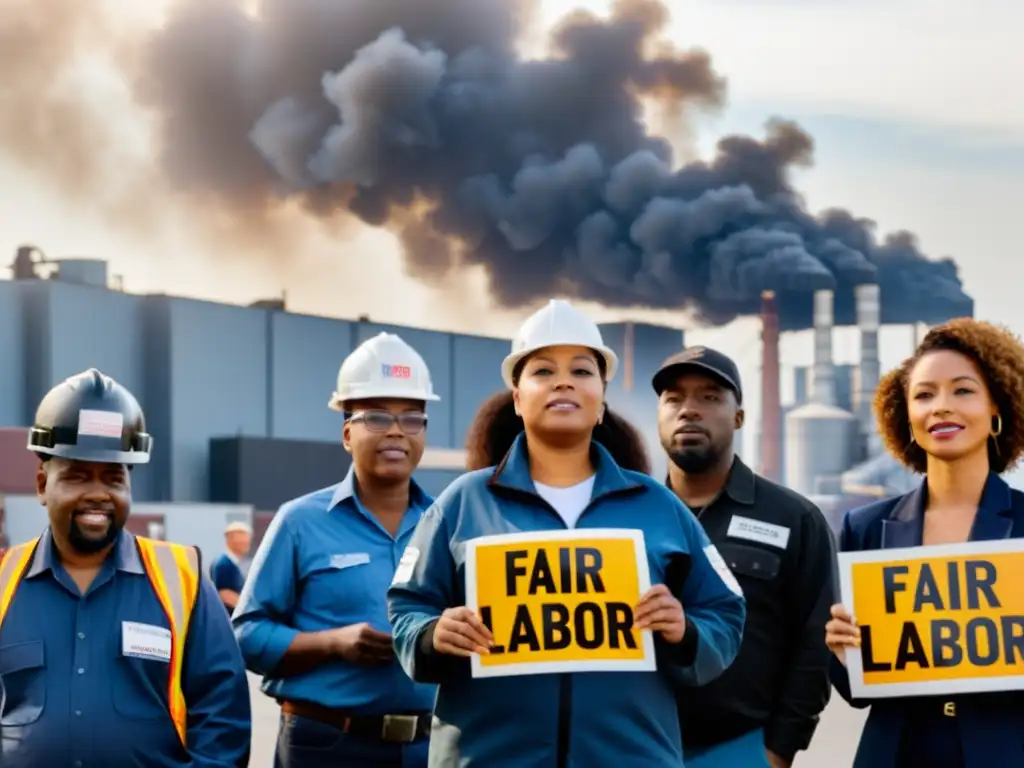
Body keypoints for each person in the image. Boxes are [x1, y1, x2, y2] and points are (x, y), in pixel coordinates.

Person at [387, 299, 747, 767]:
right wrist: (435, 633)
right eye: (542, 371)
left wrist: (685, 630)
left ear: (600, 401)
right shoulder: (463, 502)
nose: (563, 382)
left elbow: (725, 611)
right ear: (517, 399)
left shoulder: (658, 506)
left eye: (581, 371)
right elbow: (407, 608)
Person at [0, 368, 251, 767]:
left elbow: (222, 717)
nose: (98, 494)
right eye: (78, 476)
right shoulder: (3, 582)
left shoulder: (182, 580)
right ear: (42, 484)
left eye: (113, 478)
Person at [233, 332, 441, 768]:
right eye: (378, 417)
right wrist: (333, 644)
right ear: (347, 433)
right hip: (327, 744)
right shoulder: (300, 522)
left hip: (427, 748)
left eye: (412, 419)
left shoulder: (446, 523)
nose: (397, 433)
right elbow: (246, 637)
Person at [825, 318, 1024, 767]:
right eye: (924, 394)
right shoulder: (865, 526)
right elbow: (856, 692)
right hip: (895, 754)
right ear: (907, 419)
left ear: (998, 409)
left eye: (963, 390)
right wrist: (841, 653)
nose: (942, 407)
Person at [652, 347, 836, 768]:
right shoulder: (630, 517)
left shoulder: (793, 518)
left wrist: (778, 750)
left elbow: (816, 643)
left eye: (710, 397)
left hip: (742, 750)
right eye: (674, 398)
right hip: (640, 748)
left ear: (739, 416)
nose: (689, 411)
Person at [211, 521, 253, 613]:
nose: (246, 542)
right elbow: (225, 594)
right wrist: (248, 609)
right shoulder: (223, 563)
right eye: (242, 537)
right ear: (231, 538)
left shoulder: (232, 563)